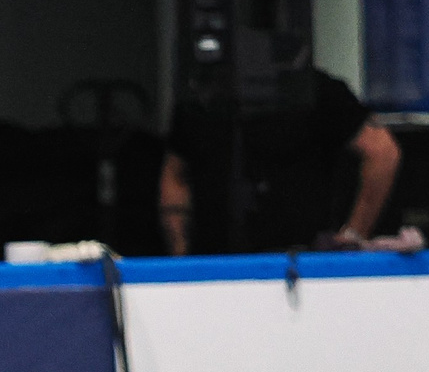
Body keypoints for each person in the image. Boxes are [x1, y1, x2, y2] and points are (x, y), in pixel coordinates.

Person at [159, 67, 401, 255]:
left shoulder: (312, 90)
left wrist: (353, 237)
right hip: (216, 267)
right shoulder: (202, 100)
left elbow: (383, 153)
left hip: (301, 266)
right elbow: (175, 174)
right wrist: (181, 256)